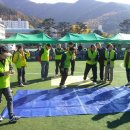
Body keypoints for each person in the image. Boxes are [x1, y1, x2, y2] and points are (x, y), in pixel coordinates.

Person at [0, 46, 20, 123]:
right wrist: (3, 73)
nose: (6, 56)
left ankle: (11, 116)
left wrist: (11, 70)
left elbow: (10, 66)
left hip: (6, 84)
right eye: (5, 55)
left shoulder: (7, 59)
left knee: (10, 99)